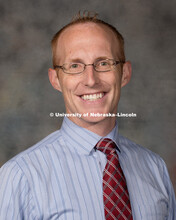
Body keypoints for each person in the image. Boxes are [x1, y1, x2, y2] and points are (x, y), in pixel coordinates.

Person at [0, 11, 175, 220]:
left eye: (103, 63)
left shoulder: (155, 168)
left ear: (125, 73)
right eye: (75, 66)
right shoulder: (21, 175)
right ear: (56, 79)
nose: (91, 80)